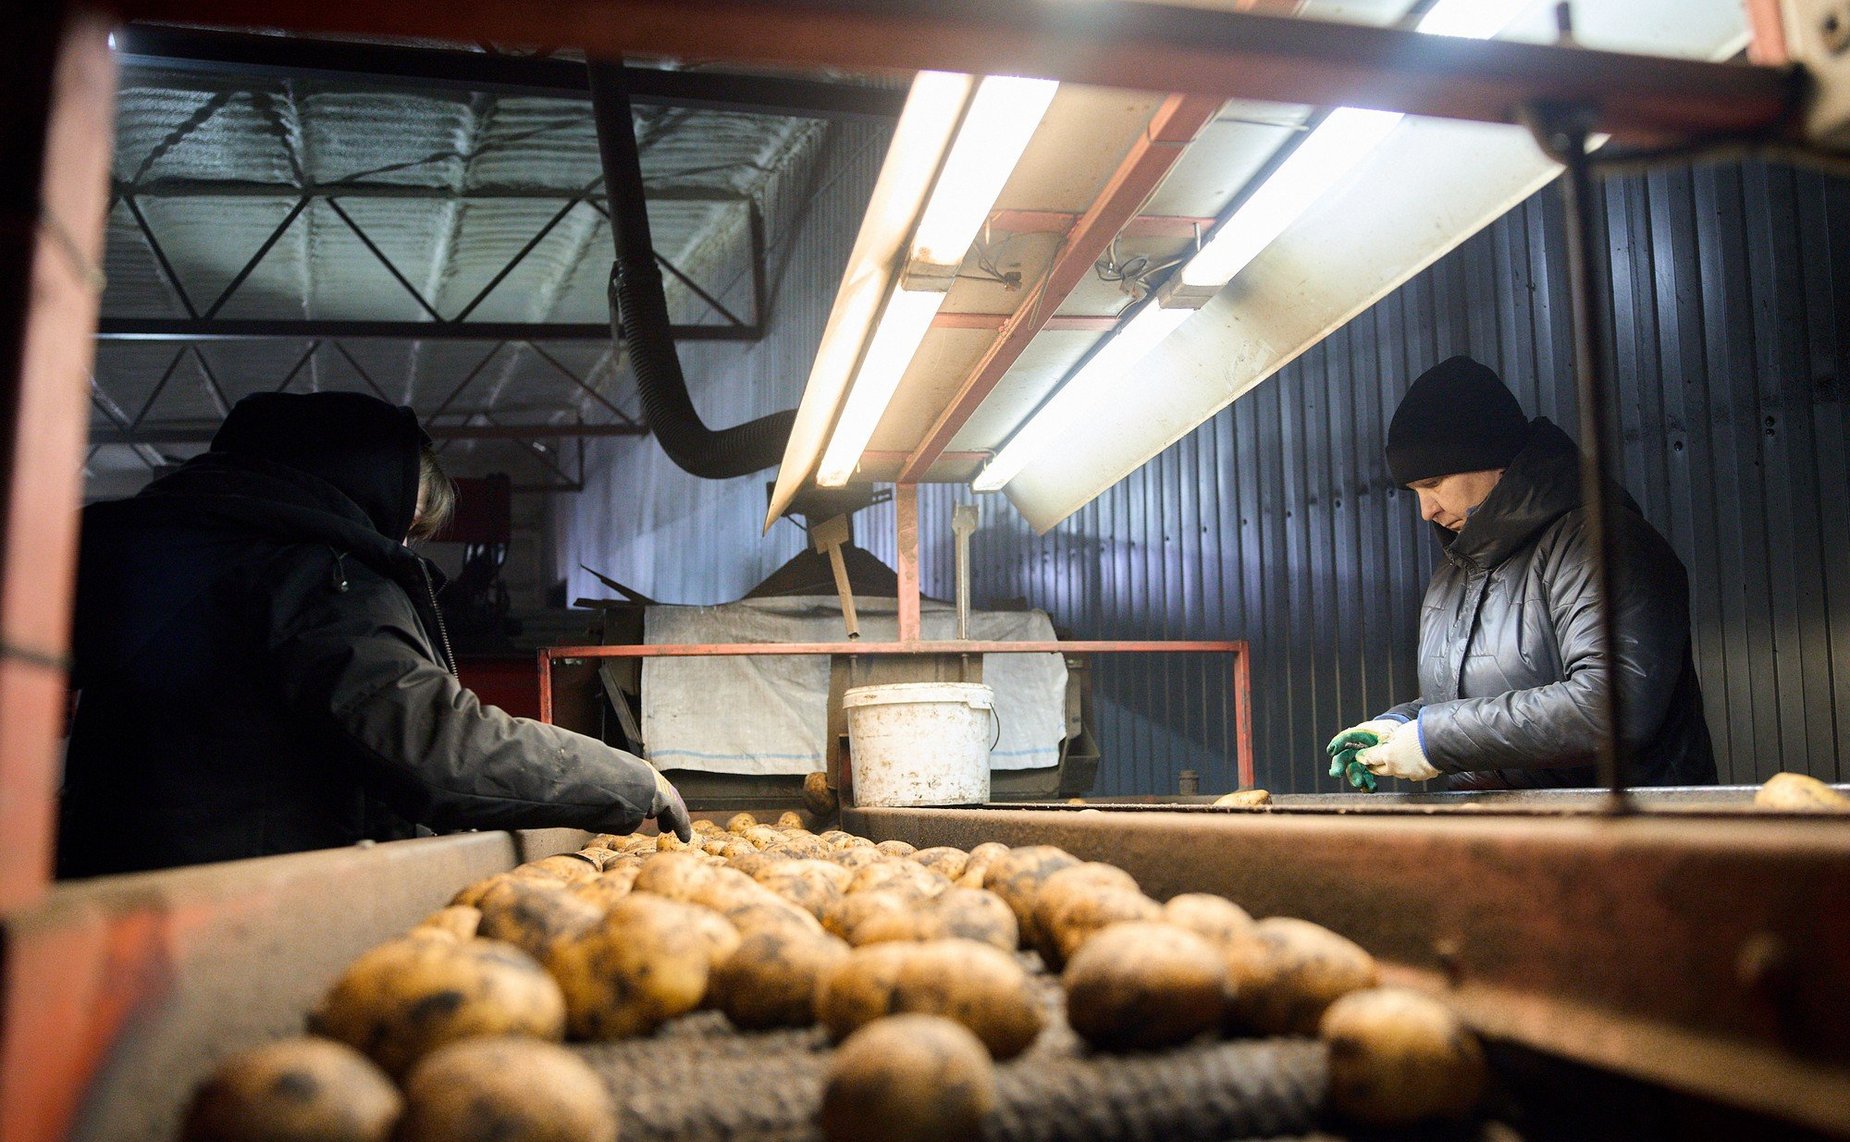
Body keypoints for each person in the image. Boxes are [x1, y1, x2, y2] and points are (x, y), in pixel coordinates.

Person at [58, 391, 691, 877]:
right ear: (362, 491)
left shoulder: (185, 549)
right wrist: (632, 779)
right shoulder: (313, 574)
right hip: (245, 895)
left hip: (126, 876)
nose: (401, 544)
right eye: (401, 524)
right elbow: (437, 746)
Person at [1326, 355, 1717, 791]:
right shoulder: (1456, 570)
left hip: (1622, 843)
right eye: (1414, 492)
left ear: (1494, 459)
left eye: (1433, 483)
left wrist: (1431, 739)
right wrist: (1401, 723)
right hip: (1511, 842)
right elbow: (1477, 698)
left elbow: (1614, 701)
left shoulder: (1598, 542)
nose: (1426, 511)